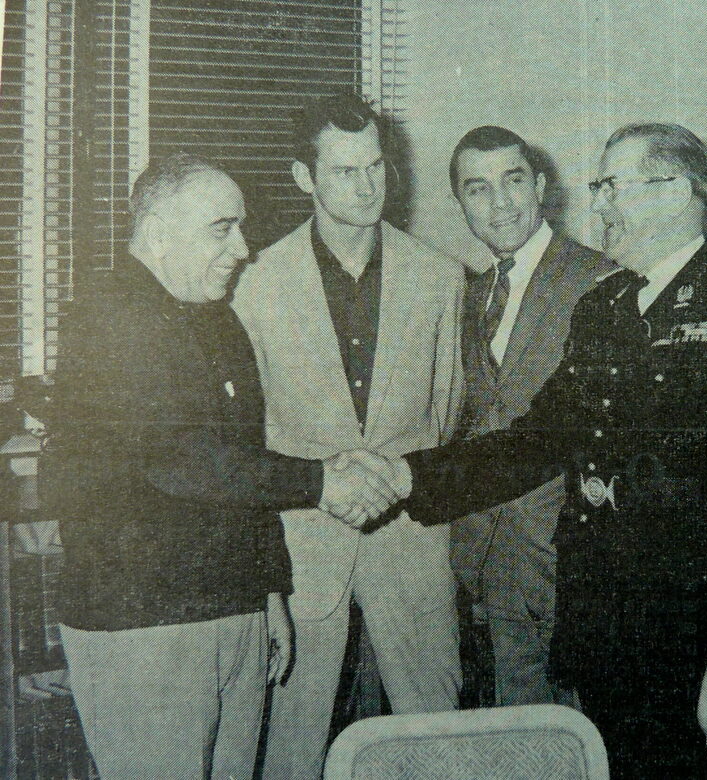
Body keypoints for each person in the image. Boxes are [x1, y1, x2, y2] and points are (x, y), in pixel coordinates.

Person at [349, 123, 707, 778]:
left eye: (612, 186)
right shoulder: (606, 308)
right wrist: (407, 476)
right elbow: (539, 438)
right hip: (611, 641)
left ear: (675, 191)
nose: (599, 204)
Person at [45, 153, 385, 780]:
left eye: (242, 227)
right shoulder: (108, 318)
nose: (243, 248)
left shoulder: (218, 320)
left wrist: (268, 591)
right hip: (144, 624)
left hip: (232, 610)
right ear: (158, 233)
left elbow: (244, 459)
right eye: (222, 228)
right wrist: (320, 481)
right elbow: (177, 458)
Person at [231, 93, 464, 779]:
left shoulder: (439, 275)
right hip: (302, 546)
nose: (367, 187)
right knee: (288, 745)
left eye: (376, 167)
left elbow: (444, 412)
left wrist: (391, 484)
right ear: (304, 177)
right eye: (344, 171)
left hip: (410, 541)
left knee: (438, 737)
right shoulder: (254, 283)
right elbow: (251, 431)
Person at [447, 126, 614, 706]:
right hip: (481, 559)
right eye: (478, 189)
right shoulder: (466, 295)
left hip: (564, 558)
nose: (500, 203)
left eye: (513, 181)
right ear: (461, 203)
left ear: (540, 186)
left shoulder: (601, 280)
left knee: (570, 730)